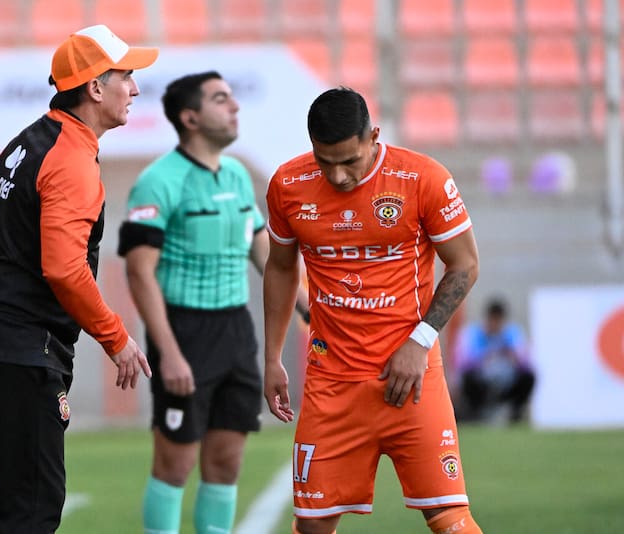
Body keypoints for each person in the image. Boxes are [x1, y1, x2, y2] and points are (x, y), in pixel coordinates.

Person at [0, 25, 155, 533]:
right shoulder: (71, 160)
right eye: (126, 76)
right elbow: (64, 268)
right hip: (19, 350)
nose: (134, 89)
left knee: (18, 506)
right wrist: (117, 338)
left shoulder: (27, 142)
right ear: (95, 87)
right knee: (32, 510)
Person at [263, 88, 483, 534]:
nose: (338, 176)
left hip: (411, 378)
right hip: (331, 383)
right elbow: (281, 268)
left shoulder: (422, 179)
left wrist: (420, 342)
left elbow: (464, 265)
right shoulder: (288, 185)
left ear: (374, 137)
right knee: (312, 525)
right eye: (325, 161)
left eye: (350, 160)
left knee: (449, 518)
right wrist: (271, 358)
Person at [117, 71, 308, 534]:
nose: (234, 107)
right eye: (221, 99)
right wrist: (169, 353)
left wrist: (309, 308)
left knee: (226, 462)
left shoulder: (238, 175)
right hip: (184, 332)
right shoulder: (158, 181)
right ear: (190, 118)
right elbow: (139, 272)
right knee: (175, 464)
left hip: (237, 331)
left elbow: (265, 255)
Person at [456, 297, 535, 423]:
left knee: (529, 377)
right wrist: (484, 357)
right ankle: (474, 414)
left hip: (507, 380)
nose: (495, 324)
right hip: (482, 382)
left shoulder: (512, 333)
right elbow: (462, 363)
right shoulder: (474, 333)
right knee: (468, 378)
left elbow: (526, 362)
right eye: (493, 319)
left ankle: (516, 414)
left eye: (498, 320)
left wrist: (513, 355)